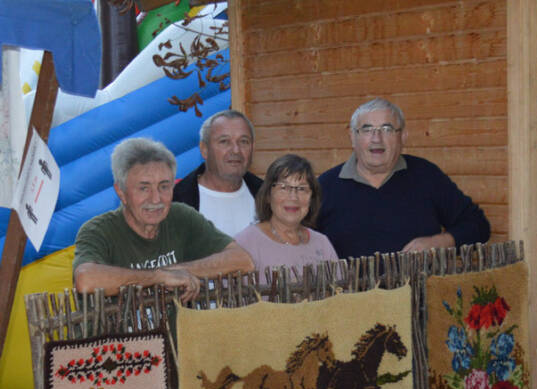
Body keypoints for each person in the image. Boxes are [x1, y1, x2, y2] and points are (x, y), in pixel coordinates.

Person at [73, 137, 254, 302]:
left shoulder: (181, 218)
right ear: (121, 191)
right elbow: (85, 280)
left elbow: (242, 260)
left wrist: (178, 271)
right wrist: (157, 277)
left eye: (164, 186)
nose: (156, 199)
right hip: (116, 337)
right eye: (144, 188)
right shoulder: (98, 230)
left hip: (174, 336)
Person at [316, 98, 490, 259]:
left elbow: (477, 225)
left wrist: (440, 242)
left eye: (387, 129)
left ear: (403, 137)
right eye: (367, 129)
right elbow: (296, 238)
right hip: (347, 293)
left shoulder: (426, 176)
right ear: (353, 137)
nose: (377, 139)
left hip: (417, 292)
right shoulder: (324, 187)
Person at [234, 154, 338, 283]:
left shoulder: (322, 244)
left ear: (311, 198)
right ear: (267, 195)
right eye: (283, 188)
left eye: (301, 189)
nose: (293, 197)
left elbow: (338, 298)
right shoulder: (245, 243)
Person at [172, 110, 263, 236]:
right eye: (224, 141)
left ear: (252, 148)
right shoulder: (177, 201)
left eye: (243, 141)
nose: (236, 150)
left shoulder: (268, 196)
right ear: (204, 149)